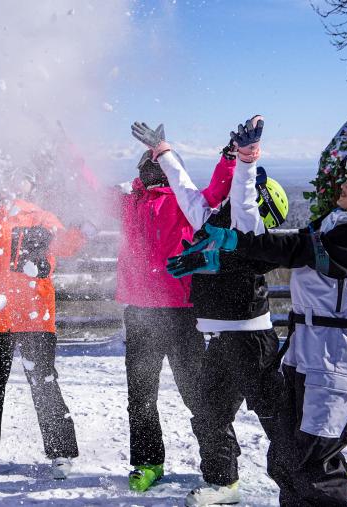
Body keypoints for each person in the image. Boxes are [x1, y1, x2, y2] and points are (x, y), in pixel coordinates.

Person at [176, 148, 347, 506]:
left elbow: (293, 249)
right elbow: (277, 255)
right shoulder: (336, 224)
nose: (344, 185)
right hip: (306, 353)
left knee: (313, 468)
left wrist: (236, 238)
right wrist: (214, 259)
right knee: (286, 459)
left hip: (334, 360)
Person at [134, 116, 289, 505]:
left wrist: (247, 157)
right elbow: (184, 188)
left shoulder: (248, 227)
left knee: (276, 417)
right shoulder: (206, 219)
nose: (222, 201)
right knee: (208, 414)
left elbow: (243, 195)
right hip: (217, 339)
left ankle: (318, 474)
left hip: (252, 340)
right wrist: (162, 152)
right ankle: (223, 483)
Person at [83, 126, 234, 493]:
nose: (148, 171)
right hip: (139, 312)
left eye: (156, 163)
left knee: (197, 392)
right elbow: (87, 187)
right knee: (141, 393)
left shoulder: (185, 200)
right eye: (144, 165)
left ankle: (219, 467)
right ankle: (148, 462)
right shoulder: (128, 203)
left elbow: (218, 191)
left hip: (182, 312)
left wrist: (229, 157)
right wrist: (67, 150)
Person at [0, 170, 86, 480]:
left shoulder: (44, 218)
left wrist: (85, 226)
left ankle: (61, 452)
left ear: (32, 185)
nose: (16, 184)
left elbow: (65, 246)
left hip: (36, 314)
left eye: (24, 178)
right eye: (12, 177)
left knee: (45, 384)